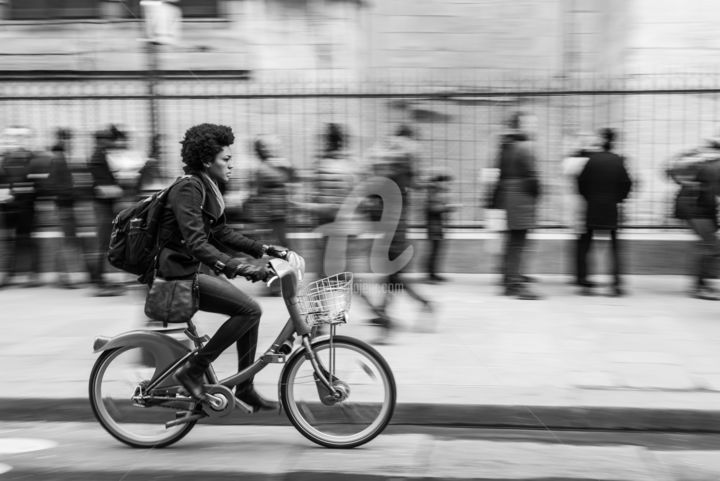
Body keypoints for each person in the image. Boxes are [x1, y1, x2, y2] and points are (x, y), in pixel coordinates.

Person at [163, 123, 287, 411]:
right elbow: (196, 243)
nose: (232, 165)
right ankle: (193, 371)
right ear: (208, 160)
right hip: (175, 276)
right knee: (250, 309)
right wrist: (239, 267)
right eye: (226, 159)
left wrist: (265, 249)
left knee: (247, 310)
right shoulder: (189, 189)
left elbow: (221, 234)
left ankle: (244, 387)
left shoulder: (209, 186)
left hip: (190, 271)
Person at [575, 129, 633, 296]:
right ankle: (616, 284)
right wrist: (618, 199)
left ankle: (585, 282)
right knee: (615, 246)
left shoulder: (591, 160)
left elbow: (580, 183)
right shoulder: (618, 160)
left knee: (586, 244)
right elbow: (627, 183)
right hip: (611, 207)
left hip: (592, 206)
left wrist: (589, 198)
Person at [667, 135, 720, 300]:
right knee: (712, 247)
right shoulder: (714, 165)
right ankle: (700, 287)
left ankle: (701, 285)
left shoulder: (703, 160)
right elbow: (713, 192)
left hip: (693, 209)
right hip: (699, 211)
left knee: (708, 246)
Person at [496, 112, 542, 300]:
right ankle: (514, 284)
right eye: (530, 122)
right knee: (518, 242)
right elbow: (532, 176)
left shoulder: (507, 145)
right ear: (519, 125)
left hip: (510, 195)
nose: (534, 126)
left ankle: (510, 279)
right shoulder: (525, 147)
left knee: (513, 240)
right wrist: (537, 193)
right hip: (521, 196)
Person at [0, 126, 46, 288]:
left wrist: (23, 191)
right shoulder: (5, 160)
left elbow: (39, 184)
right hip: (8, 207)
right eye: (14, 137)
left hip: (27, 207)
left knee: (27, 240)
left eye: (21, 137)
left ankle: (33, 274)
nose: (18, 141)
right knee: (7, 242)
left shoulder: (33, 159)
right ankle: (6, 274)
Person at [88, 126, 127, 296]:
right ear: (101, 140)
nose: (111, 142)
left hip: (105, 205)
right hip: (102, 206)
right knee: (103, 243)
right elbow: (103, 187)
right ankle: (98, 282)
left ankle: (100, 280)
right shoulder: (97, 157)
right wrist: (122, 189)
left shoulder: (102, 155)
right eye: (108, 139)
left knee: (105, 243)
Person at [49, 128, 84, 288]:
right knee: (68, 241)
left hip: (64, 205)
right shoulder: (58, 159)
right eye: (69, 139)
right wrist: (72, 193)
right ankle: (64, 277)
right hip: (64, 206)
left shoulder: (59, 158)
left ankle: (63, 276)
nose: (71, 143)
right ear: (63, 140)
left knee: (68, 240)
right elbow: (57, 185)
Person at [424, 171, 456, 283]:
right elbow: (432, 208)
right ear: (440, 182)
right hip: (434, 227)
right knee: (433, 252)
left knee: (437, 252)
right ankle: (430, 275)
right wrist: (448, 208)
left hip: (438, 226)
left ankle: (434, 273)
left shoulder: (437, 192)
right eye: (447, 182)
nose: (448, 185)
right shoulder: (433, 192)